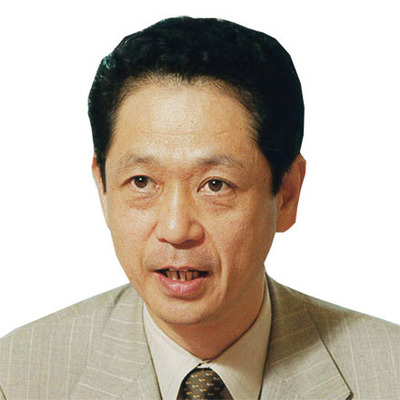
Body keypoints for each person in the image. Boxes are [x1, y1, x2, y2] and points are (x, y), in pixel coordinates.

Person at [0, 16, 398, 400]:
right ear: (103, 190)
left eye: (215, 185)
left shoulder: (389, 373)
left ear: (287, 194)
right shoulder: (17, 376)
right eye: (142, 182)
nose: (176, 229)